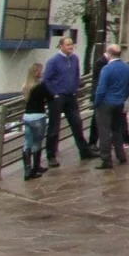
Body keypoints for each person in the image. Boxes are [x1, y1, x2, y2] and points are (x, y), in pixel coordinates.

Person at [43, 36, 95, 166]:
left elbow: (77, 75)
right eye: (67, 45)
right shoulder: (53, 61)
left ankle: (84, 151)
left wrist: (76, 88)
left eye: (71, 44)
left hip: (71, 96)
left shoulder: (74, 59)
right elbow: (46, 79)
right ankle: (51, 155)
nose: (70, 47)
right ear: (61, 46)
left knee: (77, 123)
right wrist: (54, 93)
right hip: (58, 97)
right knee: (54, 127)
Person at [94, 44, 129, 170]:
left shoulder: (107, 69)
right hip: (119, 103)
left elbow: (101, 89)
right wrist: (123, 98)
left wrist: (96, 103)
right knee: (117, 130)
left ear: (110, 53)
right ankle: (121, 155)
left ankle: (106, 159)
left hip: (106, 103)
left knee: (104, 131)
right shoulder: (127, 68)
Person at [21, 63, 51, 180]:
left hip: (27, 116)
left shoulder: (26, 86)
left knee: (27, 143)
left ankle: (27, 170)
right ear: (37, 73)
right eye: (40, 71)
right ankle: (36, 168)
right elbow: (50, 97)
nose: (42, 73)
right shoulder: (41, 86)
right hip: (38, 116)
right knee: (37, 143)